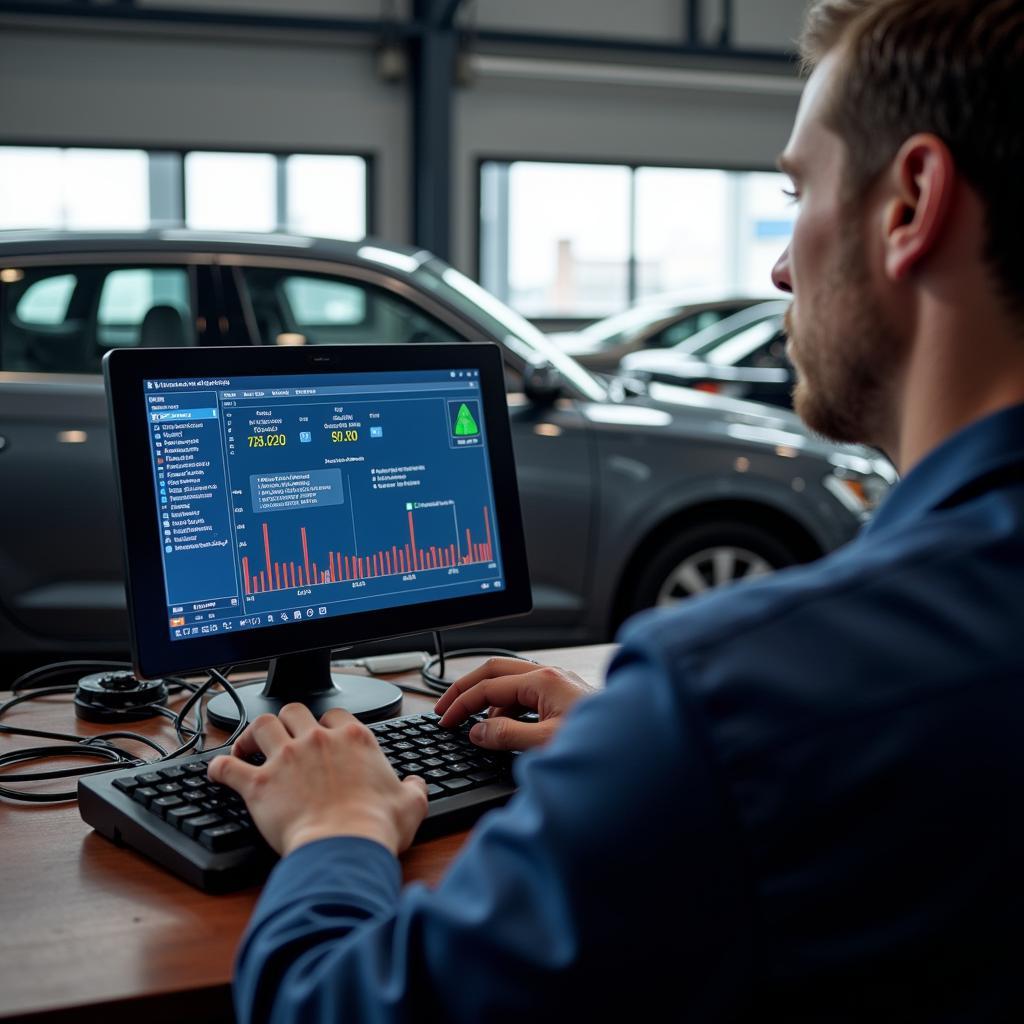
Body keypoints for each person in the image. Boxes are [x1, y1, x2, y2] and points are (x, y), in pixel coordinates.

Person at [209, 1, 1024, 1019]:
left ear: (908, 203)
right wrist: (646, 761)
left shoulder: (741, 691)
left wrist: (336, 828)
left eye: (795, 189)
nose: (776, 268)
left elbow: (329, 1005)